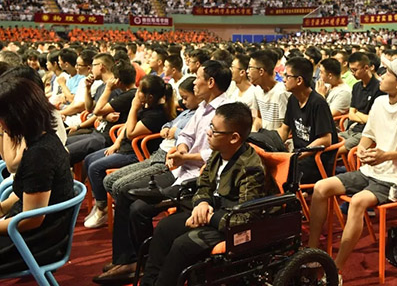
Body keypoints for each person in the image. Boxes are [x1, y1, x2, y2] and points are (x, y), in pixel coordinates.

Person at [308, 56, 397, 279]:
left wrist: (386, 155)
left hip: (396, 177)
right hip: (371, 170)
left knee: (357, 202)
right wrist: (363, 149)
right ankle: (311, 251)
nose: (382, 76)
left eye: (388, 74)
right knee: (320, 187)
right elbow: (369, 134)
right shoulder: (379, 102)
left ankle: (335, 269)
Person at [140, 102, 271, 286]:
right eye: (210, 126)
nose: (208, 132)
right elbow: (203, 184)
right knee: (164, 227)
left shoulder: (250, 168)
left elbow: (246, 218)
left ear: (234, 138)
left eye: (214, 130)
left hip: (228, 224)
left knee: (182, 245)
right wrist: (202, 204)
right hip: (211, 211)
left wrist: (208, 217)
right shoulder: (218, 153)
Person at [92, 77, 201, 282]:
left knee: (123, 189)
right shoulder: (189, 111)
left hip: (171, 164)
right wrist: (171, 129)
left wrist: (173, 131)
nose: (183, 101)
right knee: (111, 182)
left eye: (187, 96)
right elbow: (171, 124)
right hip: (159, 155)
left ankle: (130, 258)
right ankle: (126, 255)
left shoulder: (202, 112)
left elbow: (133, 133)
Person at [0, 75, 74, 274]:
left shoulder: (40, 154)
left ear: (16, 116)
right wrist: (2, 207)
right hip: (35, 235)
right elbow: (28, 192)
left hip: (35, 243)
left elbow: (31, 220)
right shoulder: (44, 139)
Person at [83, 75, 175, 228]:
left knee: (95, 167)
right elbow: (127, 126)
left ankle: (103, 209)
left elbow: (131, 133)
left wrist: (133, 107)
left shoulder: (157, 114)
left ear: (149, 96)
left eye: (140, 91)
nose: (136, 93)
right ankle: (101, 203)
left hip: (136, 153)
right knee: (89, 159)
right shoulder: (146, 106)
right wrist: (117, 143)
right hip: (125, 148)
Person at [278, 57, 338, 184]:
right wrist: (271, 146)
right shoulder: (293, 99)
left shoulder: (318, 103)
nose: (283, 80)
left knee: (281, 175)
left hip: (316, 159)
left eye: (287, 76)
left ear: (299, 80)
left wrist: (298, 155)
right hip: (299, 156)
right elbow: (284, 129)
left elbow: (325, 139)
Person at [337, 52, 385, 157]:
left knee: (334, 151)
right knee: (328, 142)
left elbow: (373, 120)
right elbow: (351, 114)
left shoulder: (380, 88)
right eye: (351, 70)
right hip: (351, 129)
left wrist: (357, 114)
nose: (352, 73)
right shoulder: (356, 87)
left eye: (355, 70)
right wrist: (361, 116)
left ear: (366, 68)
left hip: (366, 134)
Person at [248, 49, 289, 131]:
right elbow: (259, 118)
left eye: (250, 68)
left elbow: (285, 128)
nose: (247, 71)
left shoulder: (281, 93)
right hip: (264, 136)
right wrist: (254, 133)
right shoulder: (257, 90)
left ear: (261, 71)